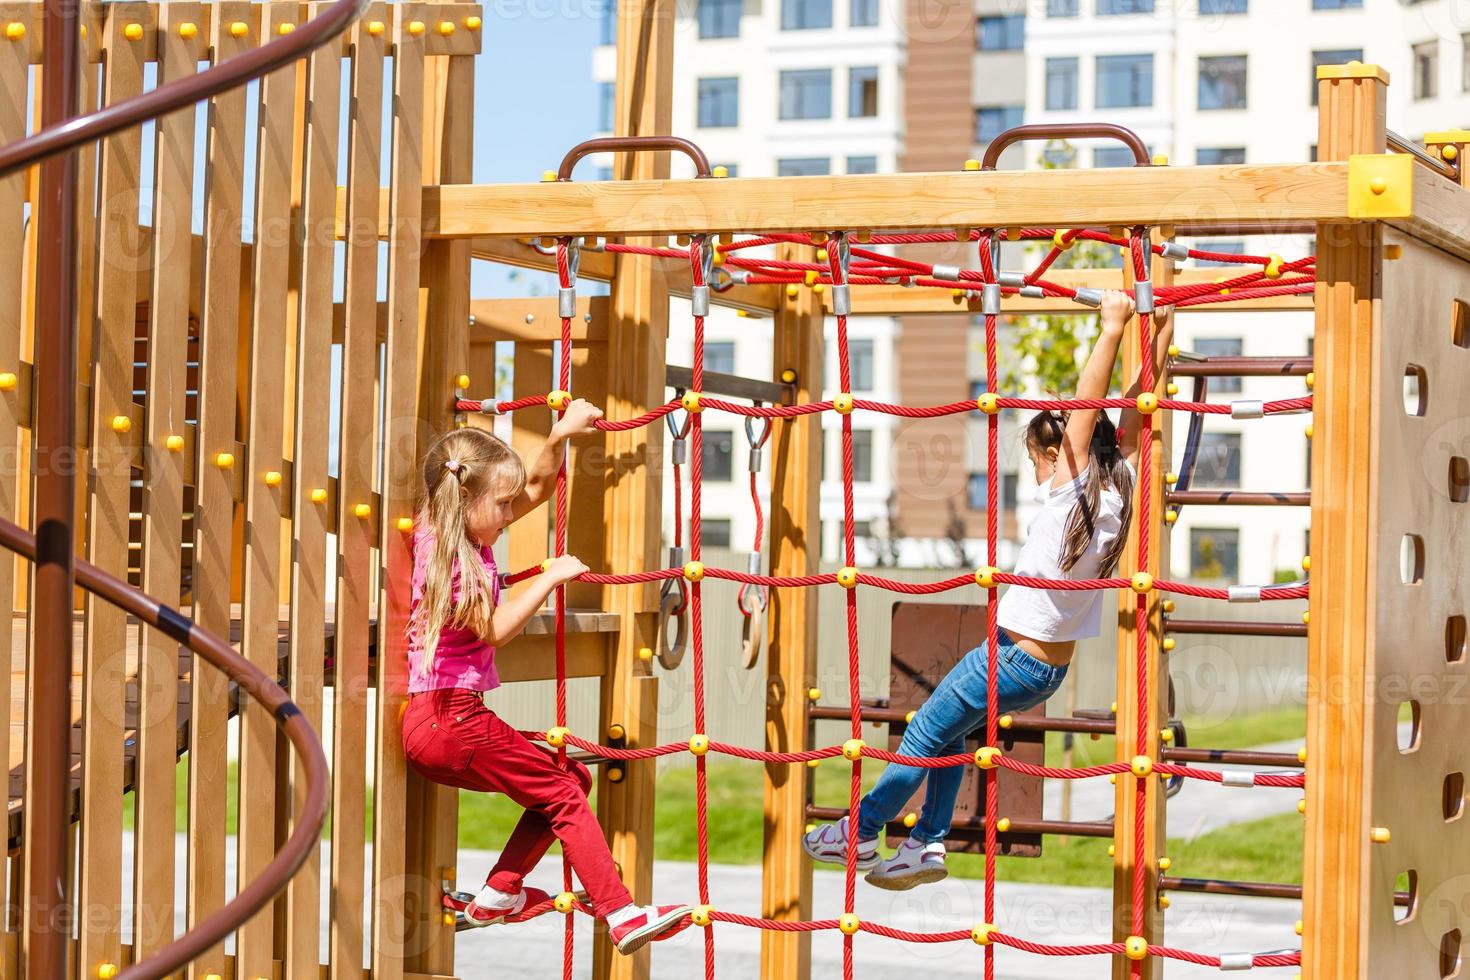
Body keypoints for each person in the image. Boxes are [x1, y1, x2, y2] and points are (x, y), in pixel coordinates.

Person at [803, 293, 1175, 890]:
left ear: (1059, 455)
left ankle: (860, 830)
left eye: (1037, 461)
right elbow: (1133, 411)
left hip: (1013, 657)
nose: (1036, 472)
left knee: (924, 733)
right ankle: (924, 844)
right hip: (1044, 669)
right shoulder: (1118, 480)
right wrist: (1157, 331)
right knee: (952, 733)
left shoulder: (1071, 486)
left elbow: (1091, 403)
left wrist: (1113, 328)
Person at [401, 407, 692, 953]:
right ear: (466, 499)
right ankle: (620, 912)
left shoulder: (450, 530)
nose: (513, 512)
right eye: (503, 504)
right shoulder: (450, 558)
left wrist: (558, 436)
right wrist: (550, 576)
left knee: (566, 780)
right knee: (563, 791)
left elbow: (535, 485)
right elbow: (494, 630)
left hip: (439, 724)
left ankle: (499, 893)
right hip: (452, 719)